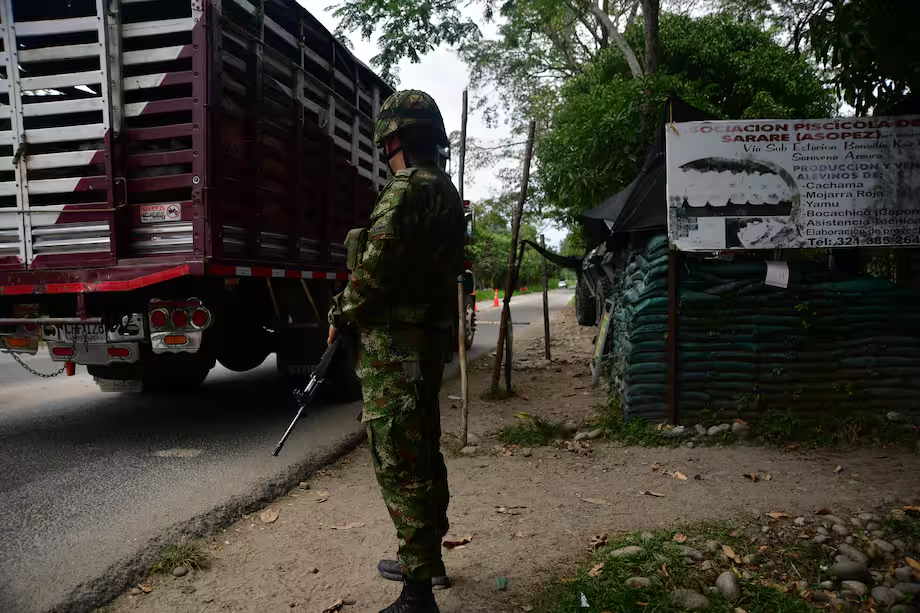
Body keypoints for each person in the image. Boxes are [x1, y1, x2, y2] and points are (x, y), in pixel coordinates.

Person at [328, 90, 466, 613]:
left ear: (396, 140)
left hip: (395, 345)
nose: (386, 153)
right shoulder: (446, 189)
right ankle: (426, 561)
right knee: (423, 450)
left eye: (387, 143)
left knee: (400, 460)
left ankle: (418, 594)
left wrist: (340, 312)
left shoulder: (405, 191)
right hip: (426, 341)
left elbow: (375, 269)